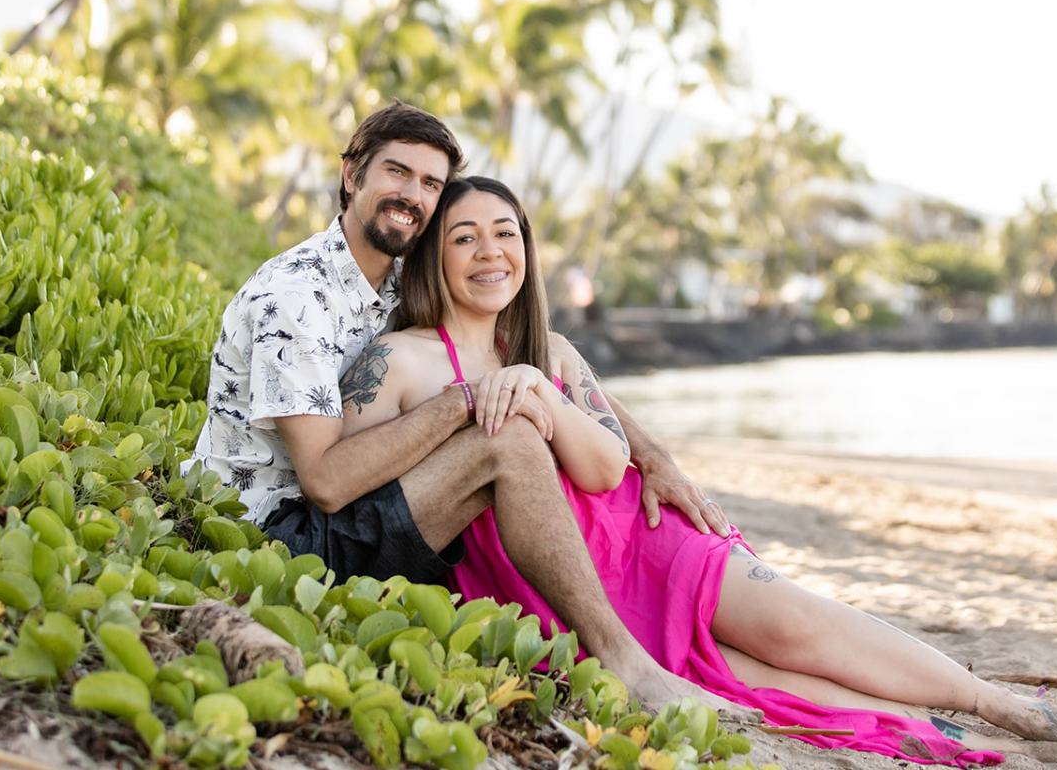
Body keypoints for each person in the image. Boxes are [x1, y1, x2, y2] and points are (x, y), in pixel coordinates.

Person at [339, 175, 1057, 768]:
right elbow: (381, 497)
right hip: (543, 574)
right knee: (742, 676)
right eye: (464, 238)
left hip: (644, 541)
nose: (488, 253)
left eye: (504, 234)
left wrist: (540, 392)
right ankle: (924, 725)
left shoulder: (553, 355)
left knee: (796, 626)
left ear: (527, 251)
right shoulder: (397, 361)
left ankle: (996, 702)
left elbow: (607, 468)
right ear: (435, 257)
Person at [185, 102, 735, 711]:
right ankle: (624, 663)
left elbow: (515, 357)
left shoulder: (392, 277)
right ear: (352, 176)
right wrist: (464, 403)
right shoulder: (296, 298)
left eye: (429, 183)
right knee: (506, 439)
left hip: (353, 517)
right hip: (274, 541)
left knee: (512, 422)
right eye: (396, 173)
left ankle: (637, 643)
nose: (411, 195)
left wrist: (651, 455)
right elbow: (324, 482)